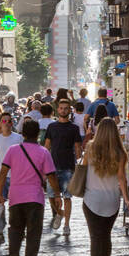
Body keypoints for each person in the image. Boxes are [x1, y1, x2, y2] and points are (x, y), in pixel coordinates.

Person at [0, 117, 59, 256]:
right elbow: (51, 176)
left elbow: (2, 173)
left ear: (22, 134)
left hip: (15, 197)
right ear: (38, 135)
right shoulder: (44, 152)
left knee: (15, 229)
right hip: (35, 199)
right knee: (34, 233)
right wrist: (57, 194)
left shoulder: (13, 150)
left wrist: (0, 193)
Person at [79, 117, 129, 256]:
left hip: (91, 200)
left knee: (95, 238)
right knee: (106, 236)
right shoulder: (120, 152)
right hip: (111, 201)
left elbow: (82, 169)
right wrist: (126, 199)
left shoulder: (90, 148)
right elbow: (121, 179)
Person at [44, 97, 83, 236]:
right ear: (57, 109)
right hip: (51, 167)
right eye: (61, 108)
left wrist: (78, 165)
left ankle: (66, 225)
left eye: (66, 108)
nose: (63, 110)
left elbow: (78, 148)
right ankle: (59, 214)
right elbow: (46, 147)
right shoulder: (51, 127)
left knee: (67, 197)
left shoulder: (74, 128)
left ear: (70, 110)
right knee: (50, 196)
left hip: (68, 167)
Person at [0, 110, 22, 238]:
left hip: (16, 178)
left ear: (12, 123)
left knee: (15, 206)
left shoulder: (18, 138)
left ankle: (16, 230)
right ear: (0, 124)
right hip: (1, 177)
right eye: (4, 121)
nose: (6, 123)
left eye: (9, 121)